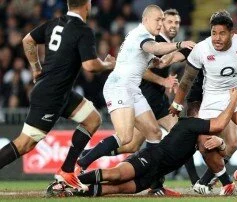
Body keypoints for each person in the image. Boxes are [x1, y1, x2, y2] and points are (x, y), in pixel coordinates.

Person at [0, 0, 115, 191]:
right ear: (87, 4)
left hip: (61, 92)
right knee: (25, 143)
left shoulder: (54, 23)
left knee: (93, 119)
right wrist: (108, 64)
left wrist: (36, 69)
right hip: (50, 95)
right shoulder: (83, 30)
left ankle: (67, 171)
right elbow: (90, 66)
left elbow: (28, 40)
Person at [46, 88, 237, 197]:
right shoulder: (190, 124)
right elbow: (219, 123)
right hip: (149, 159)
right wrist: (234, 100)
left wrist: (221, 144)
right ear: (198, 113)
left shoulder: (197, 135)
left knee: (116, 189)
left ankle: (72, 193)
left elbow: (209, 148)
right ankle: (63, 182)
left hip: (153, 174)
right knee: (116, 175)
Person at [76, 5, 194, 176]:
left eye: (162, 20)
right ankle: (80, 164)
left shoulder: (146, 37)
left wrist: (186, 53)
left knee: (154, 133)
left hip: (132, 89)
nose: (160, 23)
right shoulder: (142, 36)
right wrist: (180, 44)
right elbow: (155, 48)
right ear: (145, 20)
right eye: (158, 19)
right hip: (118, 87)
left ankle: (154, 183)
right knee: (125, 138)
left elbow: (159, 62)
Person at [169, 10, 237, 196]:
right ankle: (226, 183)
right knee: (203, 144)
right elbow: (186, 80)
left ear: (231, 33)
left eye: (222, 33)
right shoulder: (201, 48)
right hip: (212, 97)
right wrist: (177, 104)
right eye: (213, 33)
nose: (216, 38)